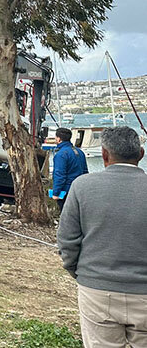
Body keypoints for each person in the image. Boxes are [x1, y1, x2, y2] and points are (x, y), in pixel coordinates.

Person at [57, 126, 147, 347]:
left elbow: (67, 240)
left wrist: (79, 272)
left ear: (104, 155)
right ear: (141, 154)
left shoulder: (82, 186)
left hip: (96, 288)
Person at [51, 127, 88, 211]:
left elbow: (59, 174)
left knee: (66, 214)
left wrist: (56, 193)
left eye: (56, 137)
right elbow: (85, 171)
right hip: (80, 188)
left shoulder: (61, 154)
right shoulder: (80, 152)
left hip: (66, 191)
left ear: (59, 139)